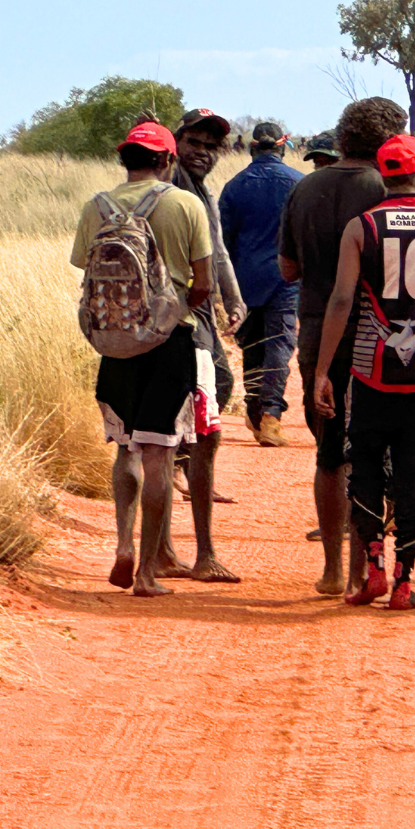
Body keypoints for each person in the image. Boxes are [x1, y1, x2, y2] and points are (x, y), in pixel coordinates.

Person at [313, 135, 415, 609]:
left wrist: (323, 371)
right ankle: (406, 581)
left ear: (384, 177)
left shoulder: (360, 227)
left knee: (364, 466)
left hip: (372, 370)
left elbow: (343, 299)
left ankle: (374, 569)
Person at [71, 121, 219, 597]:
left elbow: (84, 269)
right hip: (169, 341)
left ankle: (122, 545)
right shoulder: (185, 203)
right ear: (168, 161)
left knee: (124, 450)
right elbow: (204, 283)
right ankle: (148, 572)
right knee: (160, 453)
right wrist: (175, 308)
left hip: (114, 344)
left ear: (125, 159)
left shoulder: (96, 207)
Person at [279, 96, 404, 596]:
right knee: (373, 451)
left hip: (315, 334)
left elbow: (287, 268)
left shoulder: (304, 188)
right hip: (379, 333)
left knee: (328, 453)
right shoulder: (388, 190)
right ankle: (361, 570)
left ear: (344, 135)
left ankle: (331, 570)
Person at [167, 109, 247, 581]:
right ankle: (202, 553)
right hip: (183, 321)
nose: (202, 151)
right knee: (203, 424)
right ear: (175, 142)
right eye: (193, 141)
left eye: (211, 146)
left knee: (184, 423)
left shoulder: (203, 193)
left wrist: (232, 299)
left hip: (194, 318)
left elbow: (217, 252)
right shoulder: (174, 188)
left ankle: (167, 549)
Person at [219, 122, 302, 448]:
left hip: (245, 280)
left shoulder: (234, 186)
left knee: (252, 347)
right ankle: (270, 416)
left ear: (252, 149)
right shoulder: (298, 184)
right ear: (282, 148)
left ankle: (256, 413)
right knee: (280, 346)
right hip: (286, 278)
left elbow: (222, 241)